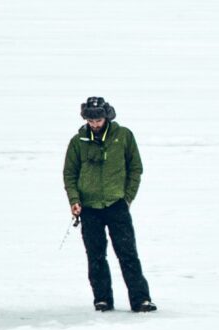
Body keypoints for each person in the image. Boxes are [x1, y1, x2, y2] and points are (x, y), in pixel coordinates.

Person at [63, 96, 153, 312]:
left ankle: (141, 300)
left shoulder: (123, 136)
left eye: (98, 120)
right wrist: (74, 200)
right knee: (95, 256)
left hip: (116, 205)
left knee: (127, 253)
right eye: (90, 120)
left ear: (106, 117)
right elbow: (70, 174)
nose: (94, 124)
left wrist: (127, 197)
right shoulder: (78, 141)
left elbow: (135, 168)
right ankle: (102, 299)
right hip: (89, 208)